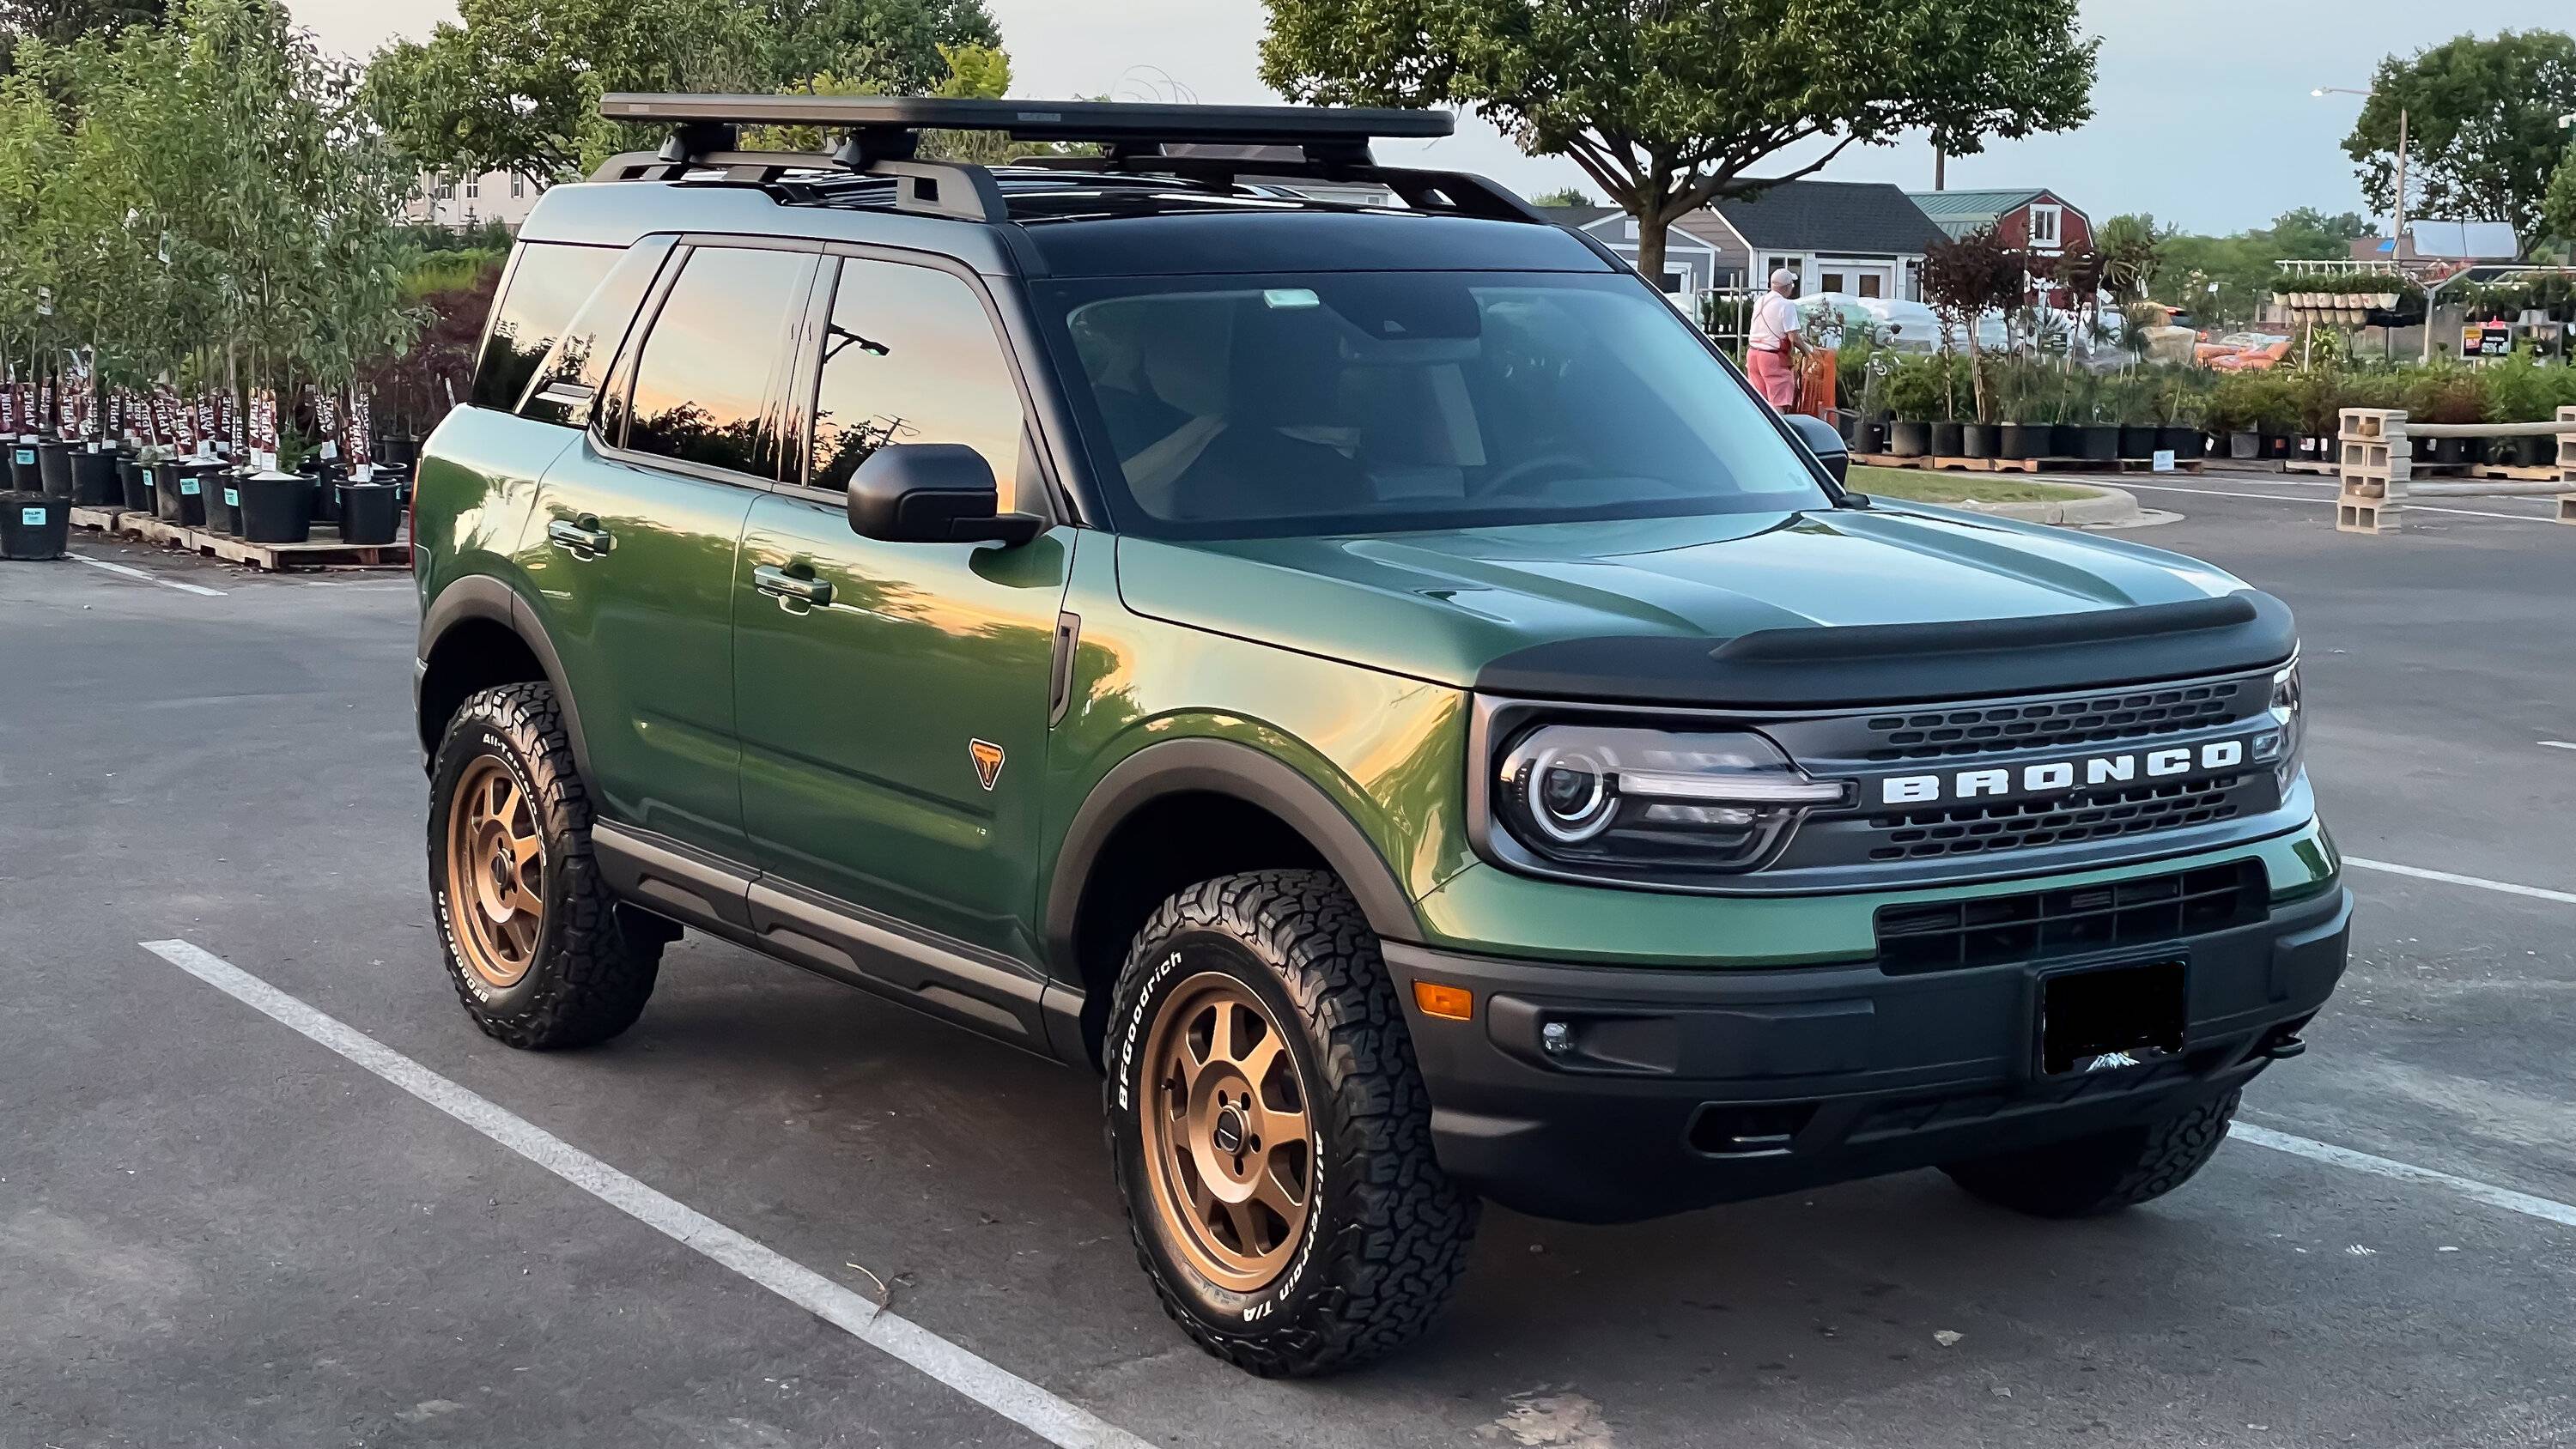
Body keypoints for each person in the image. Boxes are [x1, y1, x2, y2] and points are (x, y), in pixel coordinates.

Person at [1745, 268, 1802, 409]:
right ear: (1788, 286)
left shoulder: (1760, 301)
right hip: (1773, 357)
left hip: (1753, 355)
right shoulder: (1786, 305)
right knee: (1778, 401)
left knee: (1759, 401)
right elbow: (1793, 338)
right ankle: (1777, 430)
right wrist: (1808, 352)